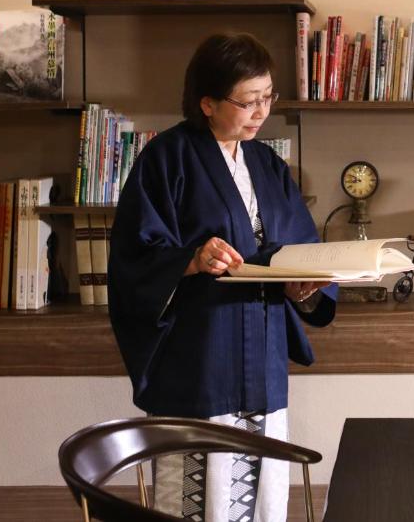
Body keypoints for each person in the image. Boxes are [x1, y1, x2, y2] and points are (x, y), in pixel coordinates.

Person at [108, 32, 336, 522]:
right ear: (207, 102)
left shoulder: (267, 163)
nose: (261, 112)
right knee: (197, 497)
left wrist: (303, 288)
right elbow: (133, 258)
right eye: (247, 101)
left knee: (263, 495)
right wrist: (191, 259)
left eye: (267, 97)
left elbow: (299, 247)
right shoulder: (166, 158)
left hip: (263, 351)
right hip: (199, 355)